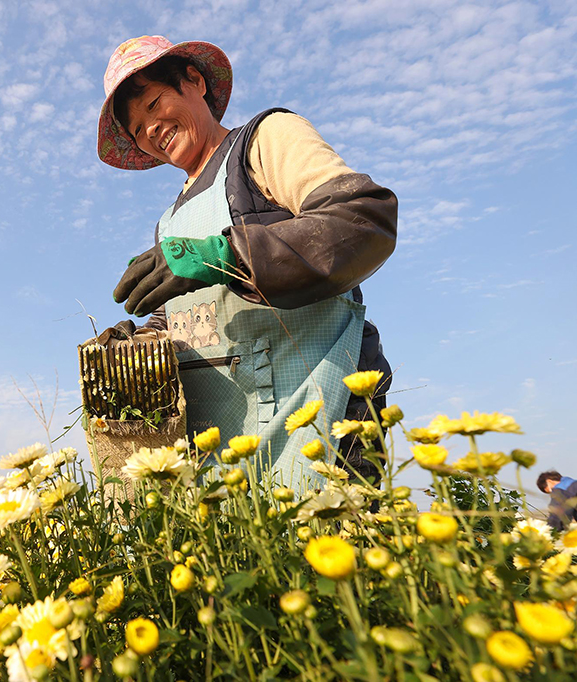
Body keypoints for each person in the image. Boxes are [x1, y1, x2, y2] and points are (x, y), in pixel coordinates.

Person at [99, 36, 397, 488]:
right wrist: (137, 344)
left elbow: (363, 220)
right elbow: (186, 319)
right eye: (137, 128)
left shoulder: (264, 141)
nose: (151, 129)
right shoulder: (169, 223)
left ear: (194, 81)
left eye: (154, 103)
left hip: (323, 422)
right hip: (226, 455)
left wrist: (226, 254)